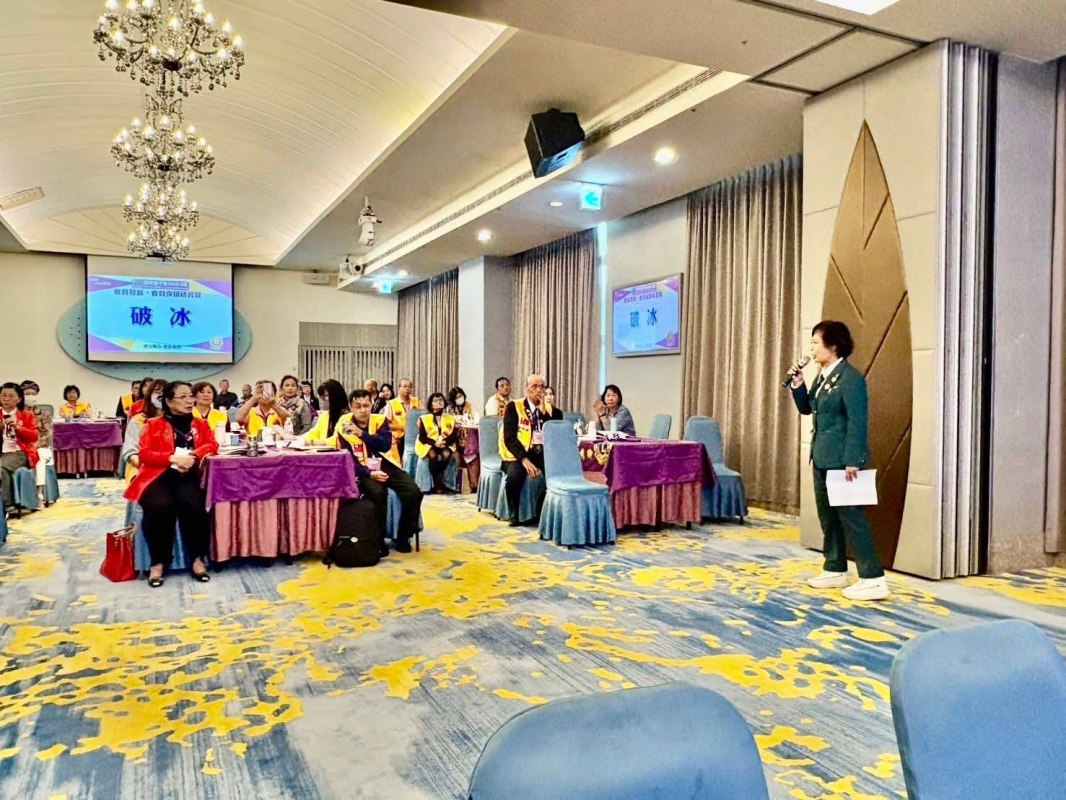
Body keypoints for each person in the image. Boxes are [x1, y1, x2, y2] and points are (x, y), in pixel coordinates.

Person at [789, 320, 889, 601]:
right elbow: (808, 409)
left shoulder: (850, 378)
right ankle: (834, 567)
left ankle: (873, 578)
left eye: (815, 343)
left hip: (844, 461)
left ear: (833, 345)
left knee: (852, 517)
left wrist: (853, 460)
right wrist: (798, 385)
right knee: (829, 517)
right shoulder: (823, 376)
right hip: (822, 457)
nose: (811, 348)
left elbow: (858, 421)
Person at [125, 381, 218, 588]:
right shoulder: (153, 424)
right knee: (159, 507)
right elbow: (145, 454)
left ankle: (197, 559)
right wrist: (172, 458)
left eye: (190, 396)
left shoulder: (200, 424)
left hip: (188, 476)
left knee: (194, 506)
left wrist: (194, 455)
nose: (189, 400)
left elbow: (212, 444)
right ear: (168, 401)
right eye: (183, 397)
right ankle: (158, 562)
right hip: (158, 476)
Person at [335, 389, 422, 554]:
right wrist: (368, 473)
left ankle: (403, 536)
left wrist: (362, 434)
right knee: (377, 493)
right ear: (351, 408)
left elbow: (385, 445)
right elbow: (347, 460)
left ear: (371, 405)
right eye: (358, 406)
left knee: (414, 492)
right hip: (363, 471)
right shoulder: (343, 425)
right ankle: (378, 540)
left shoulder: (380, 420)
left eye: (366, 405)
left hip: (387, 466)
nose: (363, 410)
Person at [500, 374, 561, 526]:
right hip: (519, 454)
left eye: (541, 387)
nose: (538, 390)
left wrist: (544, 414)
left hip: (543, 454)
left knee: (556, 474)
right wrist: (524, 459)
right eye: (534, 386)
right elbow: (510, 438)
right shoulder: (514, 407)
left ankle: (542, 513)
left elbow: (555, 435)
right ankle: (515, 513)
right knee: (514, 477)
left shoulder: (554, 412)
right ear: (527, 389)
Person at [1, 382, 39, 514]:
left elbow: (34, 436)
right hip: (2, 452)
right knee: (2, 468)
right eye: (3, 395)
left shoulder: (26, 415)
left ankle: (6, 505)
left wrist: (18, 427)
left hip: (19, 452)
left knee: (1, 467)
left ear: (19, 399)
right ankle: (8, 505)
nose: (6, 399)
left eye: (11, 396)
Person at [122, 379, 164, 485]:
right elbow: (131, 453)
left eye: (164, 392)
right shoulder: (138, 420)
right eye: (157, 392)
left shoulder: (176, 420)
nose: (161, 396)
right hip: (141, 467)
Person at [417, 392, 459, 494]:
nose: (439, 402)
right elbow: (422, 437)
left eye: (441, 400)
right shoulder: (424, 418)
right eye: (435, 401)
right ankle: (436, 483)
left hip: (445, 444)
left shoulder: (450, 418)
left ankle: (444, 484)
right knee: (432, 455)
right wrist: (434, 443)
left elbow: (454, 435)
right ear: (431, 405)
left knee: (447, 454)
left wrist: (444, 442)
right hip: (429, 444)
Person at [19, 381, 54, 504]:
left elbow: (47, 434)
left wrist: (34, 445)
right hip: (21, 446)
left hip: (40, 446)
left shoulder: (43, 413)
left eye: (33, 394)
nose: (30, 396)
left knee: (38, 456)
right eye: (27, 394)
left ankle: (39, 493)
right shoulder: (17, 413)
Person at [385, 378, 421, 463]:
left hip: (415, 436)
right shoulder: (392, 403)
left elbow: (424, 417)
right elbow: (386, 424)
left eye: (409, 386)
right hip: (399, 437)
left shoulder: (417, 401)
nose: (407, 389)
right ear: (399, 388)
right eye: (404, 386)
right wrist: (402, 427)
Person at [305, 380, 347, 447]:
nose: (322, 399)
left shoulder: (348, 416)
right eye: (321, 396)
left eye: (326, 395)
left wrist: (316, 442)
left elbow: (341, 439)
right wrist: (305, 440)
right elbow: (313, 433)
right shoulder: (324, 415)